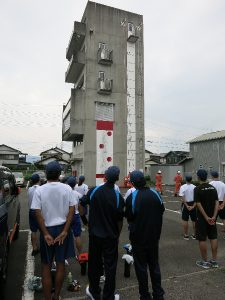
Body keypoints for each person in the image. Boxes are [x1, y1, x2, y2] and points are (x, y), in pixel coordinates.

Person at [31, 161, 75, 300]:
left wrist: (45, 233)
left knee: (46, 266)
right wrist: (65, 231)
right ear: (59, 174)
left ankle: (47, 298)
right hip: (62, 227)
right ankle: (56, 296)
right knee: (61, 263)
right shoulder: (67, 188)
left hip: (47, 228)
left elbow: (37, 212)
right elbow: (72, 209)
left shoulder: (39, 189)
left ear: (46, 174)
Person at [80, 166, 124, 300]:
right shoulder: (118, 197)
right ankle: (108, 296)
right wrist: (117, 234)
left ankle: (94, 291)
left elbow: (81, 204)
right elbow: (119, 221)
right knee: (110, 266)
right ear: (117, 178)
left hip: (95, 235)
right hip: (110, 236)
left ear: (105, 176)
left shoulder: (94, 190)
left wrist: (85, 221)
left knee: (94, 263)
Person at [125, 170, 165, 300]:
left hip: (138, 238)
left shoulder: (133, 196)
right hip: (154, 236)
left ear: (132, 183)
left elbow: (129, 216)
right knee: (154, 265)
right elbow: (162, 210)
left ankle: (144, 295)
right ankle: (158, 294)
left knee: (141, 267)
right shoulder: (155, 193)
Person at [194, 169, 219, 269]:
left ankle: (204, 262)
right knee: (213, 237)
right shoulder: (213, 188)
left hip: (202, 218)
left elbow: (198, 204)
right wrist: (213, 216)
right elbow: (217, 202)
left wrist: (206, 217)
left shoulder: (197, 189)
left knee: (202, 238)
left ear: (198, 177)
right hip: (212, 218)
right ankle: (214, 261)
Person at [66, 176, 83, 254]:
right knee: (77, 236)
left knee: (64, 236)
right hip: (76, 216)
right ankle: (80, 254)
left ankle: (63, 257)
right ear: (75, 184)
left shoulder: (64, 193)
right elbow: (80, 206)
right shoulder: (78, 194)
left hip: (67, 216)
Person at [179, 175, 196, 240]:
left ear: (186, 180)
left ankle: (186, 235)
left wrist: (186, 205)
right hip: (193, 203)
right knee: (194, 220)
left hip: (185, 204)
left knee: (185, 219)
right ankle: (194, 234)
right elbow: (197, 197)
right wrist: (193, 206)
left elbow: (182, 197)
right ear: (191, 180)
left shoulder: (183, 187)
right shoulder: (194, 187)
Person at [27, 173, 41, 256]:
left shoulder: (29, 189)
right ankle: (45, 247)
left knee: (33, 231)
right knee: (43, 230)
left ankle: (34, 248)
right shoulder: (41, 189)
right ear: (39, 180)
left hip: (31, 211)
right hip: (39, 211)